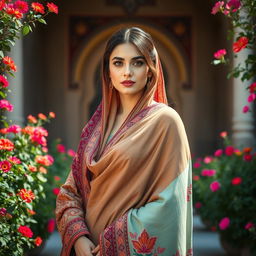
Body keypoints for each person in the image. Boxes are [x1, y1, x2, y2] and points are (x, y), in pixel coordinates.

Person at [56, 27, 193, 256]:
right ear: (107, 70)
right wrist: (79, 238)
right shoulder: (96, 128)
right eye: (118, 63)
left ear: (150, 70)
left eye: (137, 63)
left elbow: (169, 204)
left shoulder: (165, 122)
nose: (127, 72)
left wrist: (110, 244)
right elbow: (71, 191)